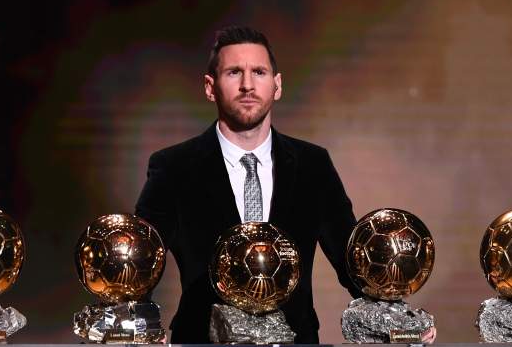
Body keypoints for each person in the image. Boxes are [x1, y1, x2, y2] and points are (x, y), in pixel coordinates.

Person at [134, 26, 363, 343]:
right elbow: (138, 264)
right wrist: (136, 327)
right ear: (210, 87)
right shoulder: (173, 167)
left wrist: (394, 316)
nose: (247, 85)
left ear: (277, 85)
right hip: (201, 341)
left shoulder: (314, 165)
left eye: (259, 72)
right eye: (233, 72)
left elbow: (353, 260)